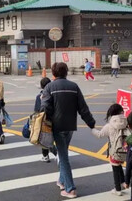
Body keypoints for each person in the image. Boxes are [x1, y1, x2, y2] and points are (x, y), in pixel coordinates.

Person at [41, 62, 96, 198]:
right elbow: (83, 109)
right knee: (63, 152)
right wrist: (92, 124)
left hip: (57, 126)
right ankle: (62, 180)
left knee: (63, 157)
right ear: (66, 72)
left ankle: (70, 189)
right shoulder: (74, 87)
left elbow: (45, 108)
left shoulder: (49, 87)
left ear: (53, 73)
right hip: (70, 126)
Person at [91, 103, 130, 196]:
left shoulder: (109, 125)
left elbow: (100, 134)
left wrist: (92, 129)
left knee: (115, 169)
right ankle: (122, 183)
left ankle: (117, 189)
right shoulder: (127, 122)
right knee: (119, 166)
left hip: (115, 151)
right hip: (125, 151)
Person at [33, 77, 57, 162]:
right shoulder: (54, 95)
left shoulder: (39, 96)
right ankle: (58, 154)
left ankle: (47, 155)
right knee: (56, 137)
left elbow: (37, 110)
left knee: (44, 138)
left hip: (44, 120)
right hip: (55, 119)